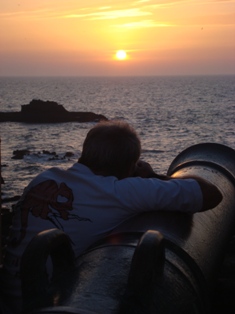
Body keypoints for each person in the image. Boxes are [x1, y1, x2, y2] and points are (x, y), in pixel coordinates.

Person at [0, 120, 222, 313]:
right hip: (59, 305)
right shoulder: (121, 192)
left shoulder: (42, 179)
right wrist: (152, 175)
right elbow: (210, 195)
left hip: (13, 302)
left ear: (85, 152)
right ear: (129, 167)